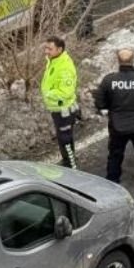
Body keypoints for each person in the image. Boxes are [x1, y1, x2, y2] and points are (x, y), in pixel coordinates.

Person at [93, 49, 134, 211]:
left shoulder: (109, 81)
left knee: (115, 158)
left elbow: (100, 103)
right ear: (133, 59)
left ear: (118, 61)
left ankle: (111, 191)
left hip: (117, 127)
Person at [42, 36, 81, 169]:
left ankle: (71, 166)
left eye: (50, 49)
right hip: (57, 109)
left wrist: (49, 94)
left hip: (63, 111)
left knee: (65, 140)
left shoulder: (64, 67)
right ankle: (68, 160)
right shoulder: (54, 60)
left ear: (59, 49)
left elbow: (66, 92)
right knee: (63, 138)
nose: (46, 51)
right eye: (46, 48)